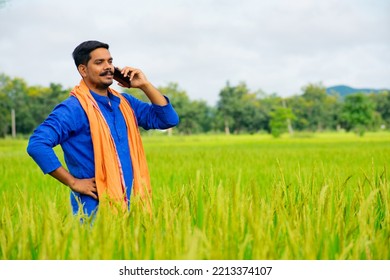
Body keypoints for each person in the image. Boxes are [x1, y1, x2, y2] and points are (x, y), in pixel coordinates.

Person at [27, 40, 179, 216]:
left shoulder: (125, 103)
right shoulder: (74, 108)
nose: (108, 67)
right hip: (94, 211)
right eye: (99, 62)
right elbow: (37, 144)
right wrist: (73, 182)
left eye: (110, 61)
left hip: (132, 206)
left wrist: (144, 85)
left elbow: (168, 119)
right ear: (83, 70)